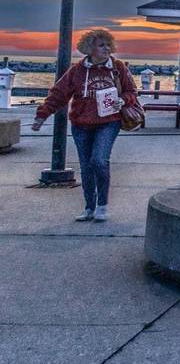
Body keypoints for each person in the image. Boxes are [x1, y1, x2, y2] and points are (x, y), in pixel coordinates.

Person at [31, 28, 137, 222]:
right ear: (89, 48)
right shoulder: (78, 70)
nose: (106, 49)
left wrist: (122, 100)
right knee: (86, 167)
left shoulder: (117, 67)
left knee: (99, 160)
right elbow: (59, 94)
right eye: (101, 45)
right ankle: (89, 207)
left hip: (108, 122)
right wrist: (42, 115)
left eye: (108, 45)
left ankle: (102, 205)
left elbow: (131, 91)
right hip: (80, 124)